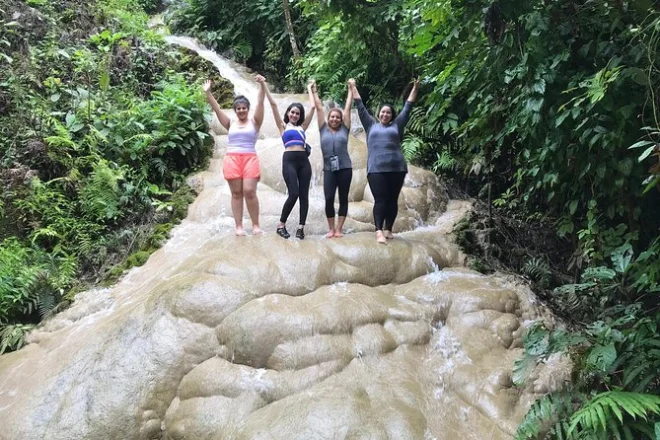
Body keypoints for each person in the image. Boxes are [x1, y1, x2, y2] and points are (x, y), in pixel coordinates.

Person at [348, 78, 420, 244]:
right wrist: (353, 87)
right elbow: (360, 105)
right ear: (378, 114)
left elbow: (408, 106)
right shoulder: (370, 125)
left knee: (392, 200)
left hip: (397, 168)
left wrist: (415, 88)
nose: (385, 114)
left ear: (392, 115)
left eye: (388, 112)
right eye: (383, 112)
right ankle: (378, 230)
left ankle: (388, 229)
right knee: (380, 200)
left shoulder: (397, 125)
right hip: (376, 169)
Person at [203, 75, 267, 236]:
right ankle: (239, 226)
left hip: (249, 158)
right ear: (235, 110)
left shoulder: (255, 122)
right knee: (236, 193)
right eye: (238, 108)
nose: (241, 110)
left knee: (249, 191)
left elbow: (260, 103)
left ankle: (256, 225)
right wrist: (208, 93)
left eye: (244, 108)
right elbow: (217, 109)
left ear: (248, 109)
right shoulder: (230, 123)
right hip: (232, 159)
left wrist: (262, 85)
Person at [264, 81, 316, 239]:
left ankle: (301, 228)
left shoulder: (302, 127)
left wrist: (310, 89)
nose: (294, 115)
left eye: (297, 114)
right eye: (292, 112)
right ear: (288, 113)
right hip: (289, 161)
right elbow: (273, 105)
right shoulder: (283, 126)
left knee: (304, 195)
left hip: (304, 162)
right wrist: (263, 85)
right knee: (293, 193)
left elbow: (313, 107)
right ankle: (281, 225)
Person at [309, 79, 353, 238]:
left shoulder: (345, 129)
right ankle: (331, 229)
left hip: (345, 168)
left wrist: (351, 89)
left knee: (343, 198)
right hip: (329, 169)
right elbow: (319, 108)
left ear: (341, 120)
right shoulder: (323, 129)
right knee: (328, 198)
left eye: (337, 117)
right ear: (328, 118)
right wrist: (314, 90)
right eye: (332, 117)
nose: (335, 119)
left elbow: (347, 108)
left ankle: (339, 229)